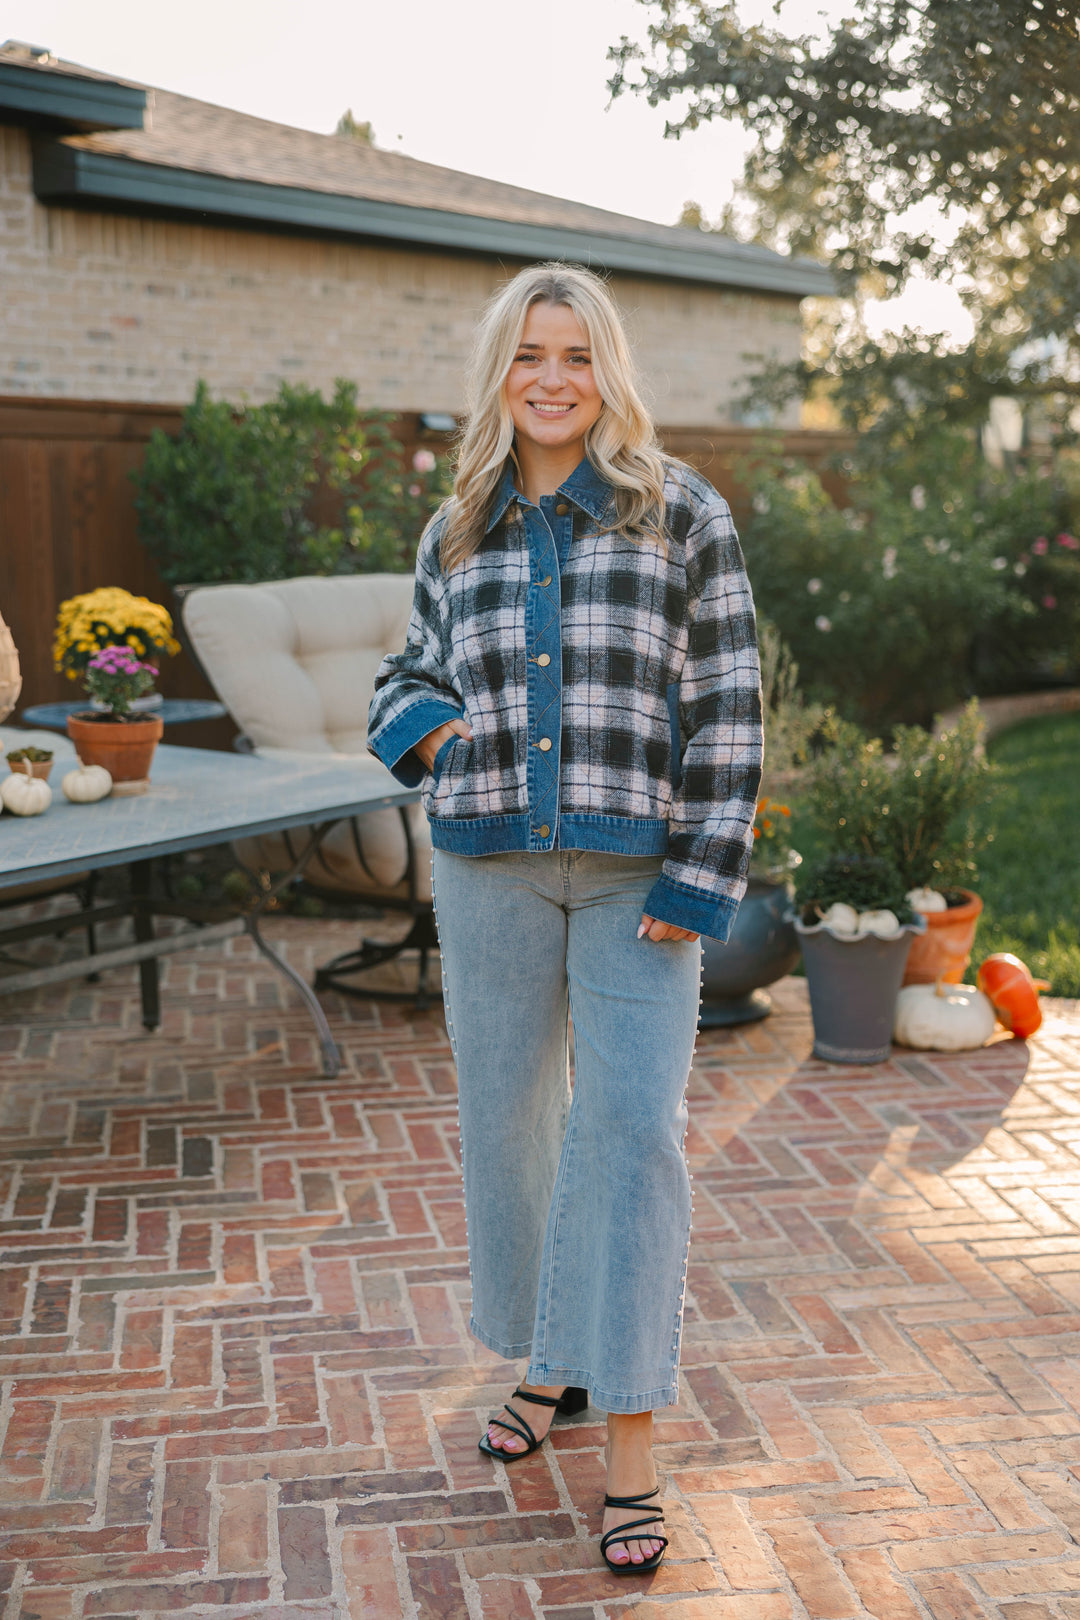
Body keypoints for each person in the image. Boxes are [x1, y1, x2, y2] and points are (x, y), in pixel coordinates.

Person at [368, 262, 762, 1573]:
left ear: (610, 373)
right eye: (531, 354)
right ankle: (553, 1365)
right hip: (487, 868)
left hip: (634, 875)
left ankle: (634, 1433)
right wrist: (438, 748)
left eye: (579, 356)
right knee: (513, 1127)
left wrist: (702, 868)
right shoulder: (456, 528)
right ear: (500, 370)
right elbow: (405, 676)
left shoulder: (678, 511)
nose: (553, 378)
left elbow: (730, 702)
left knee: (634, 1133)